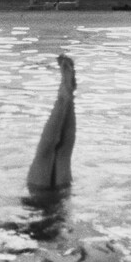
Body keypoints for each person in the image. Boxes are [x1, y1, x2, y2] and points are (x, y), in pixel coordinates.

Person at [26, 54, 77, 193]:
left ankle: (69, 95)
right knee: (44, 154)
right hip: (38, 195)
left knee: (64, 153)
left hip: (63, 193)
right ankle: (64, 96)